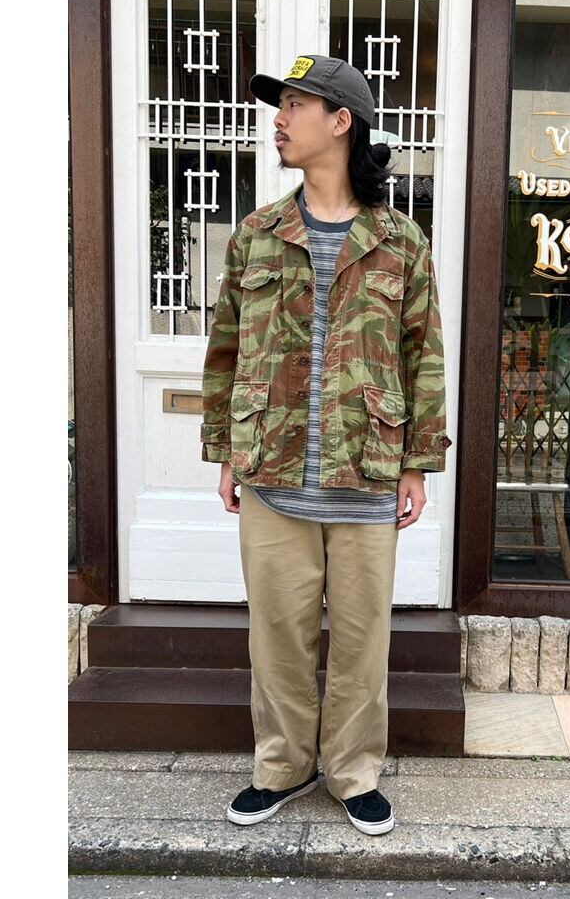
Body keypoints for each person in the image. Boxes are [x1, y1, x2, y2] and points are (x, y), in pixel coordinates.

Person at [199, 55, 451, 836]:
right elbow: (226, 348)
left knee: (362, 641)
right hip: (273, 472)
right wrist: (226, 450)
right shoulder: (257, 236)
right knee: (277, 636)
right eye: (277, 108)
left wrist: (417, 464)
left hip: (367, 474)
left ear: (341, 122)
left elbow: (425, 354)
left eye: (293, 106)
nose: (278, 120)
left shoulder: (399, 239)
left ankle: (353, 771)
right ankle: (281, 766)